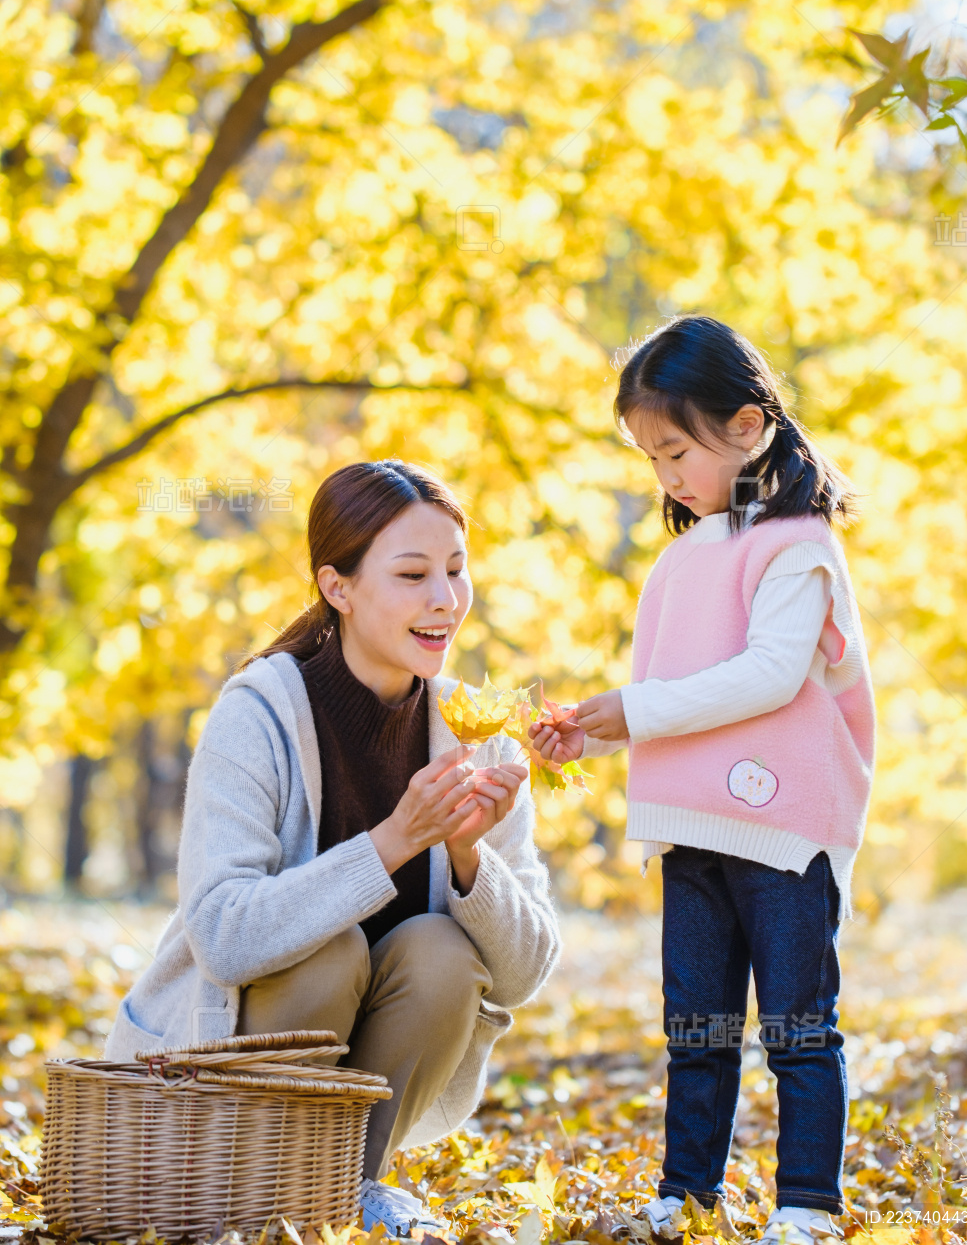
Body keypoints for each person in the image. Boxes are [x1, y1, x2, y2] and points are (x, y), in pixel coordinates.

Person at [106, 460, 560, 1238]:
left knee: (444, 952)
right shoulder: (258, 714)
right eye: (412, 574)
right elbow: (222, 934)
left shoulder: (475, 734)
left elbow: (520, 977)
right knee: (329, 949)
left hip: (367, 1081)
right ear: (337, 587)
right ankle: (264, 1192)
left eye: (456, 570)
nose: (445, 599)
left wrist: (468, 859)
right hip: (228, 1076)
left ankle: (346, 1188)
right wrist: (395, 841)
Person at [532, 316, 874, 1245]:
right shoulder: (683, 559)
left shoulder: (795, 542)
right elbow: (673, 693)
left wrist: (634, 709)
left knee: (798, 1028)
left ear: (749, 426)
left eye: (675, 452)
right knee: (698, 1030)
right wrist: (595, 731)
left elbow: (769, 676)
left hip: (782, 827)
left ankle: (807, 1204)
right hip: (691, 826)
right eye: (650, 458)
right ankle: (686, 1196)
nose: (665, 478)